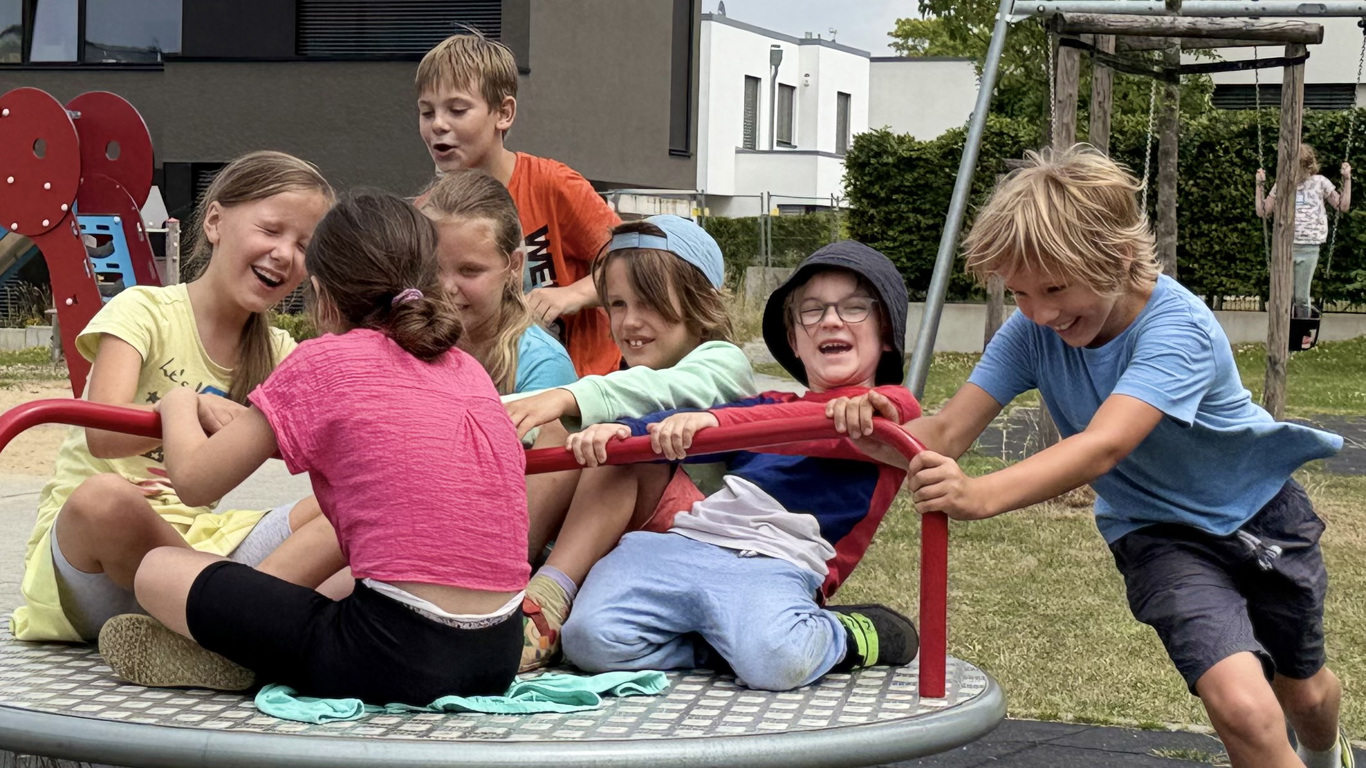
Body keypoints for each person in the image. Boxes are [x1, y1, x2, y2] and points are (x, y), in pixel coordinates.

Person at [899, 146, 1347, 768]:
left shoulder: (1177, 328)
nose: (1041, 313)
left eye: (1055, 288)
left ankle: (1327, 755)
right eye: (1020, 292)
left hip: (1261, 515)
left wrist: (980, 495)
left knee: (1305, 692)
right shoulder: (1033, 330)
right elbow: (944, 432)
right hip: (1160, 535)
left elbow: (1105, 444)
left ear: (1118, 256)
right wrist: (863, 422)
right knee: (1243, 708)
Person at [97, 192, 529, 705]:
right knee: (351, 574)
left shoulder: (324, 362)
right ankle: (250, 649)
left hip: (391, 657)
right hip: (500, 651)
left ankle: (239, 655)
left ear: (322, 294)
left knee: (158, 570)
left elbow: (192, 480)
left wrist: (177, 402)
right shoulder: (467, 369)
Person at [559, 242, 922, 692]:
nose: (830, 319)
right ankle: (718, 645)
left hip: (777, 562)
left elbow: (869, 425)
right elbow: (686, 432)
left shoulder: (887, 409)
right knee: (588, 640)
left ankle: (849, 635)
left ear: (885, 333)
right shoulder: (768, 406)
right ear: (794, 340)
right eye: (811, 311)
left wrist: (716, 420)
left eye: (853, 309)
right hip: (691, 542)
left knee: (777, 663)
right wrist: (620, 433)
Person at [10, 151, 334, 644]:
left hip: (200, 544)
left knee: (355, 505)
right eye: (271, 231)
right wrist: (183, 407)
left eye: (304, 244)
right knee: (101, 499)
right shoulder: (144, 310)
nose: (285, 254)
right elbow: (103, 435)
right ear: (215, 221)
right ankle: (232, 620)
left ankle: (212, 627)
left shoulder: (281, 353)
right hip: (100, 561)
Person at [503, 214, 755, 671]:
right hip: (635, 554)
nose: (631, 322)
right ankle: (503, 584)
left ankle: (545, 597)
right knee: (566, 430)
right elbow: (585, 398)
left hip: (703, 546)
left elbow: (655, 391)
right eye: (617, 304)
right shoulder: (621, 385)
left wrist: (566, 397)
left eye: (651, 303)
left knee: (624, 440)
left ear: (702, 304)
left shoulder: (723, 362)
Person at [416, 31, 622, 376]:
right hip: (483, 386)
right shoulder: (427, 210)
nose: (438, 124)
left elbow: (634, 261)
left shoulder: (552, 184)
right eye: (426, 112)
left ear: (504, 113)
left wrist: (572, 294)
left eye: (457, 109)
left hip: (580, 392)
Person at [418, 168, 576, 396]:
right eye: (433, 268)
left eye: (469, 271)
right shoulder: (402, 343)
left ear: (514, 266)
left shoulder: (541, 365)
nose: (446, 287)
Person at [1255, 144, 1351, 318]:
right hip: (1285, 246)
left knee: (1301, 297)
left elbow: (1342, 206)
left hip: (1309, 247)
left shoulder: (1320, 182)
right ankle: (1284, 334)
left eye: (1296, 168)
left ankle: (1302, 333)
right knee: (1284, 296)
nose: (1293, 172)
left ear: (1307, 166)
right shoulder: (1282, 183)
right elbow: (1262, 211)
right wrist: (1259, 186)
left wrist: (1347, 179)